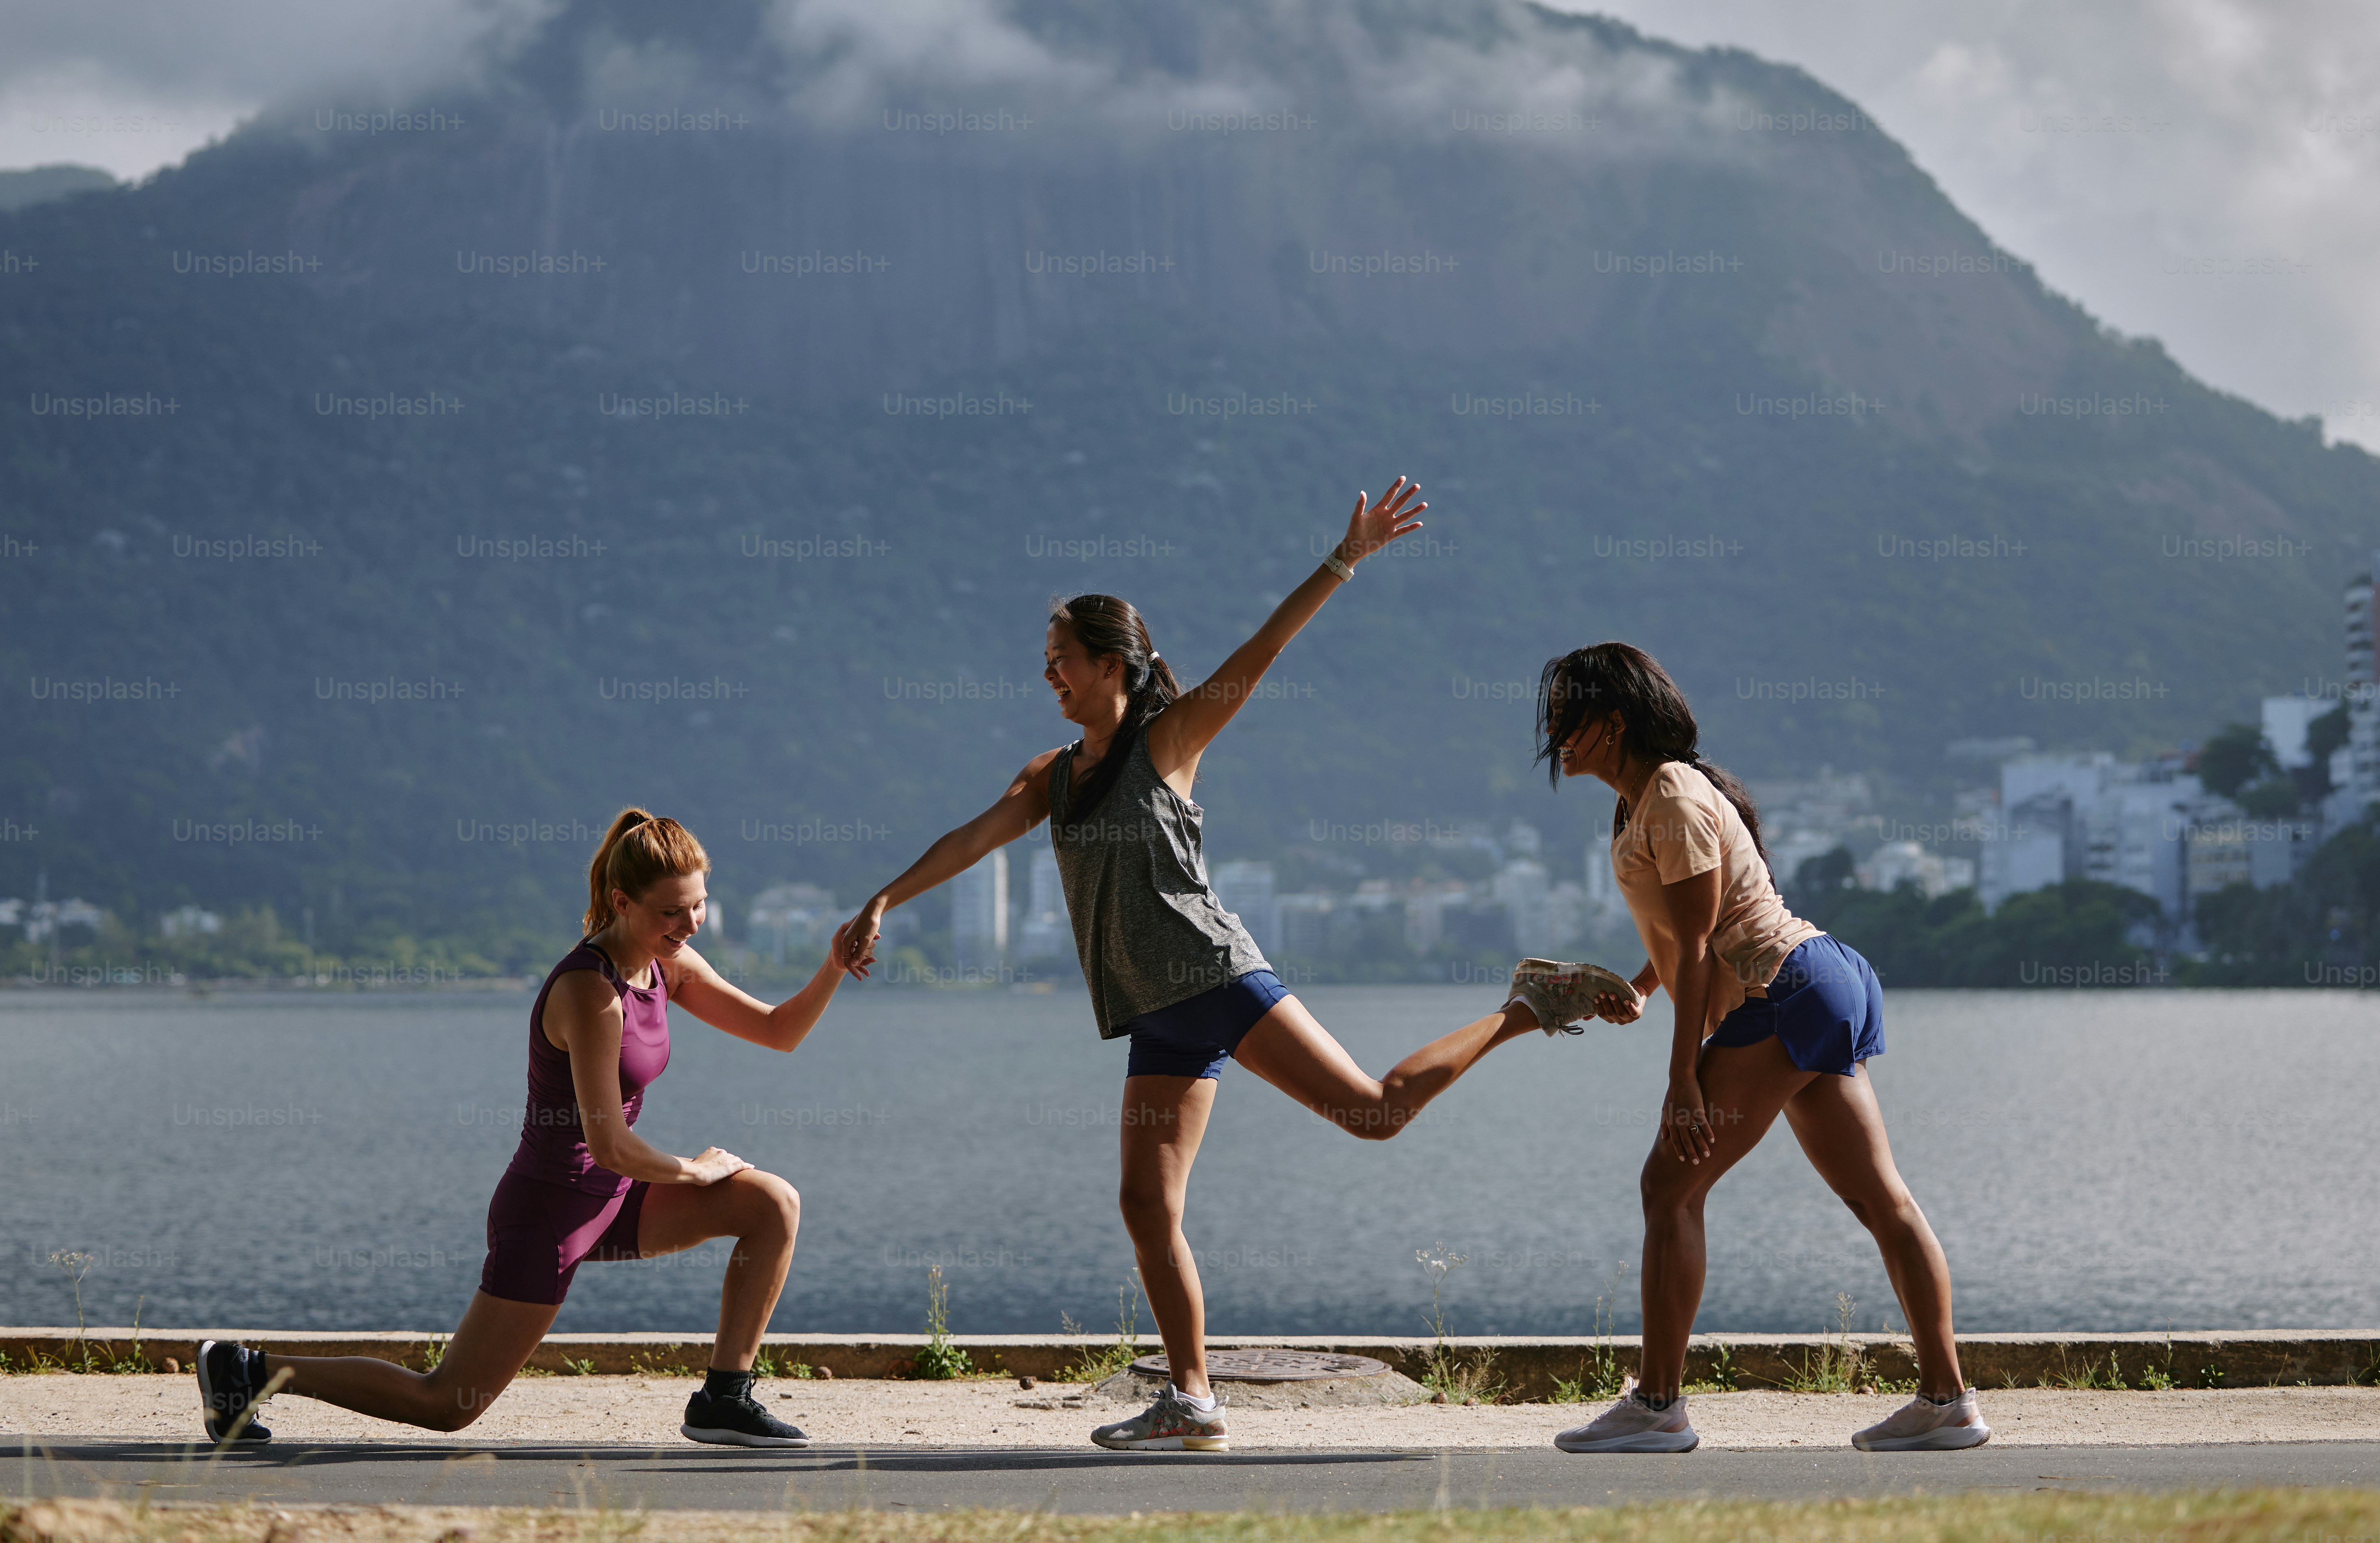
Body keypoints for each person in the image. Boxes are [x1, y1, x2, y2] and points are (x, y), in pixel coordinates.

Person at [844, 478, 1632, 1452]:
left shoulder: (1164, 744)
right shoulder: (1049, 779)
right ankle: (1192, 1398)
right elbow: (968, 840)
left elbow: (1262, 652)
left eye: (1061, 663)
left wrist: (1344, 557)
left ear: (1110, 665)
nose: (1048, 678)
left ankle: (1523, 1004)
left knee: (1373, 1112)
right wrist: (883, 897)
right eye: (1045, 665)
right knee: (1144, 1205)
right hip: (1152, 1009)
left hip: (1215, 977)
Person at [192, 809, 861, 1450]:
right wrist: (695, 1169)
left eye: (698, 903)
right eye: (670, 911)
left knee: (772, 1202)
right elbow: (609, 1145)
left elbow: (780, 1031)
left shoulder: (666, 965)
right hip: (551, 1210)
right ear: (622, 901)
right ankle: (245, 1370)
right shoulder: (589, 992)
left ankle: (724, 1397)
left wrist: (833, 964)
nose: (689, 923)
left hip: (616, 1198)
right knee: (444, 1402)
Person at [1534, 643, 1988, 1455]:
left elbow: (1705, 945)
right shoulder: (1648, 798)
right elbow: (1686, 928)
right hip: (1813, 983)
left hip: (1782, 992)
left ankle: (1657, 1406)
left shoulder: (1670, 794)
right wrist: (1641, 987)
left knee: (1667, 1187)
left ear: (1610, 722)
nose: (1552, 732)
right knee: (1880, 1199)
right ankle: (1947, 1400)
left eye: (1566, 715)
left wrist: (1682, 1080)